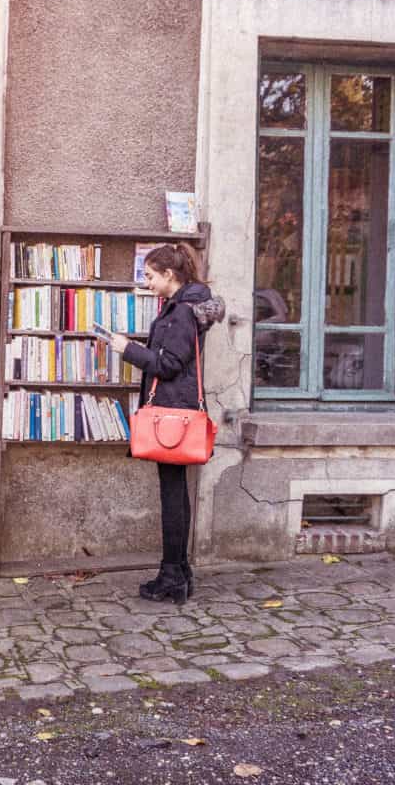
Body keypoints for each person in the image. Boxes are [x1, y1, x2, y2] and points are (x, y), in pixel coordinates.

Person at [110, 243, 224, 604]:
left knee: (173, 497)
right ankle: (178, 571)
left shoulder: (182, 312)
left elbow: (170, 364)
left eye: (149, 276)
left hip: (172, 416)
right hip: (174, 413)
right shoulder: (182, 307)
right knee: (176, 494)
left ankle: (173, 575)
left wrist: (127, 350)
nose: (146, 283)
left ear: (169, 276)